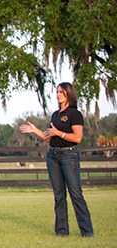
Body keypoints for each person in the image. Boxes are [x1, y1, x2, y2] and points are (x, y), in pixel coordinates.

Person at [20, 82, 94, 237]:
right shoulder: (55, 114)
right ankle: (61, 232)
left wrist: (59, 133)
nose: (58, 94)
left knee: (75, 193)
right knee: (59, 195)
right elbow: (49, 137)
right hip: (52, 156)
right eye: (57, 91)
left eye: (61, 92)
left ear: (69, 94)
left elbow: (78, 137)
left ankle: (87, 232)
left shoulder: (75, 114)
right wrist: (35, 131)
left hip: (69, 156)